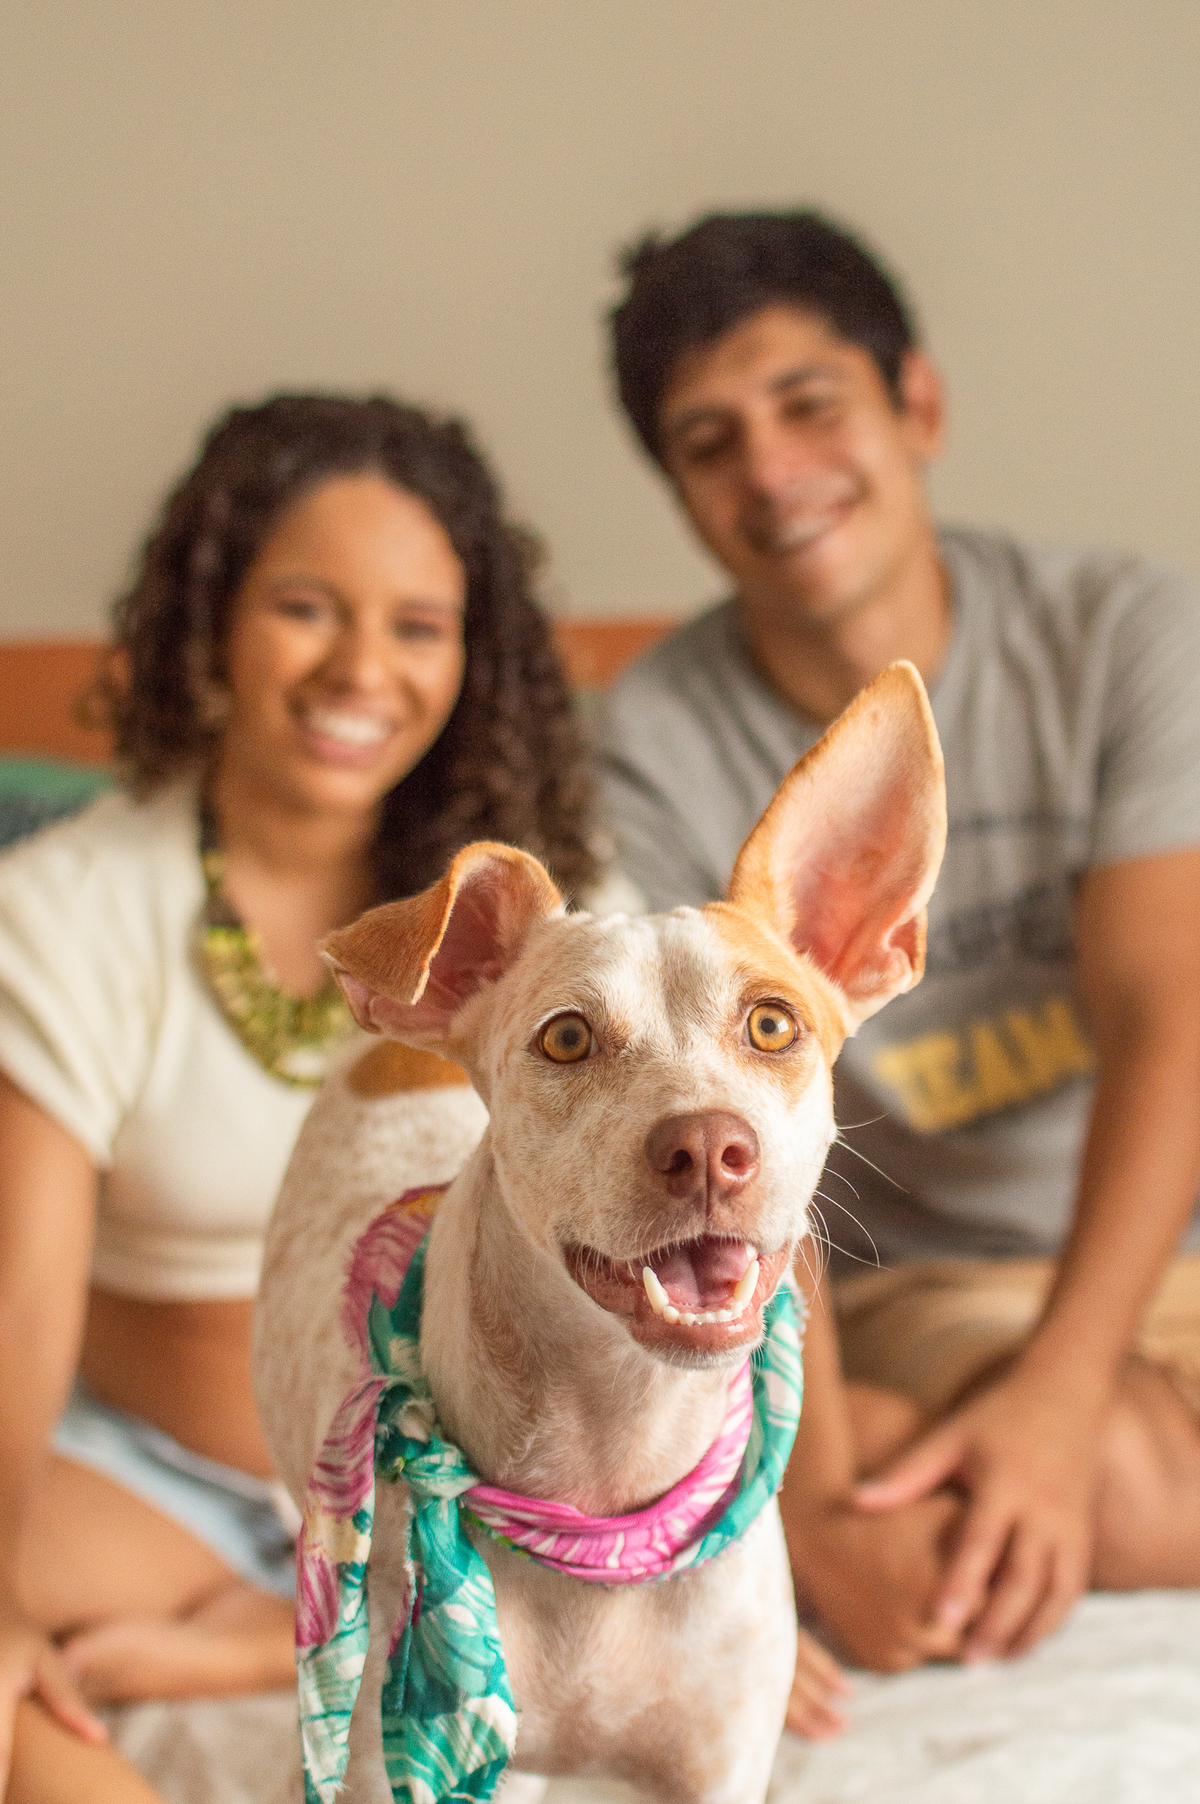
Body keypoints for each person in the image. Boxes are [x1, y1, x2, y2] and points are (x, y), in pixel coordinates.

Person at [598, 211, 1200, 1723]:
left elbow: (1170, 1013)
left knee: (1085, 1472)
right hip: (911, 1287)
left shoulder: (1125, 632)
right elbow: (713, 1115)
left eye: (813, 405)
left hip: (1159, 1251)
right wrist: (804, 1500)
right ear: (679, 491)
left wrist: (1064, 1404)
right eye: (711, 442)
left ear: (914, 406)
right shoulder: (651, 748)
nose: (774, 471)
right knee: (1045, 1511)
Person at [0, 393, 599, 1803]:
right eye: (307, 608)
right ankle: (256, 1624)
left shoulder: (540, 925)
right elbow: (20, 1302)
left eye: (416, 626)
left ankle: (255, 1642)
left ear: (474, 657)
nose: (360, 669)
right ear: (214, 614)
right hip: (162, 1490)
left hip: (458, 1501)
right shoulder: (64, 910)